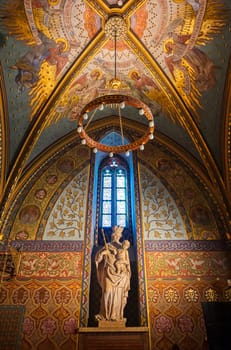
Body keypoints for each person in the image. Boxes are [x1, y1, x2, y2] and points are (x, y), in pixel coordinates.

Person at [95, 226, 131, 322]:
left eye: (118, 235)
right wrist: (103, 253)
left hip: (121, 276)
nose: (116, 237)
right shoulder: (107, 246)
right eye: (114, 235)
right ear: (112, 236)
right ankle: (104, 315)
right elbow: (98, 260)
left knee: (119, 295)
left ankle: (117, 315)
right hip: (108, 273)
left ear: (120, 236)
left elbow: (128, 265)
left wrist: (124, 270)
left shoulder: (124, 249)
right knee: (106, 292)